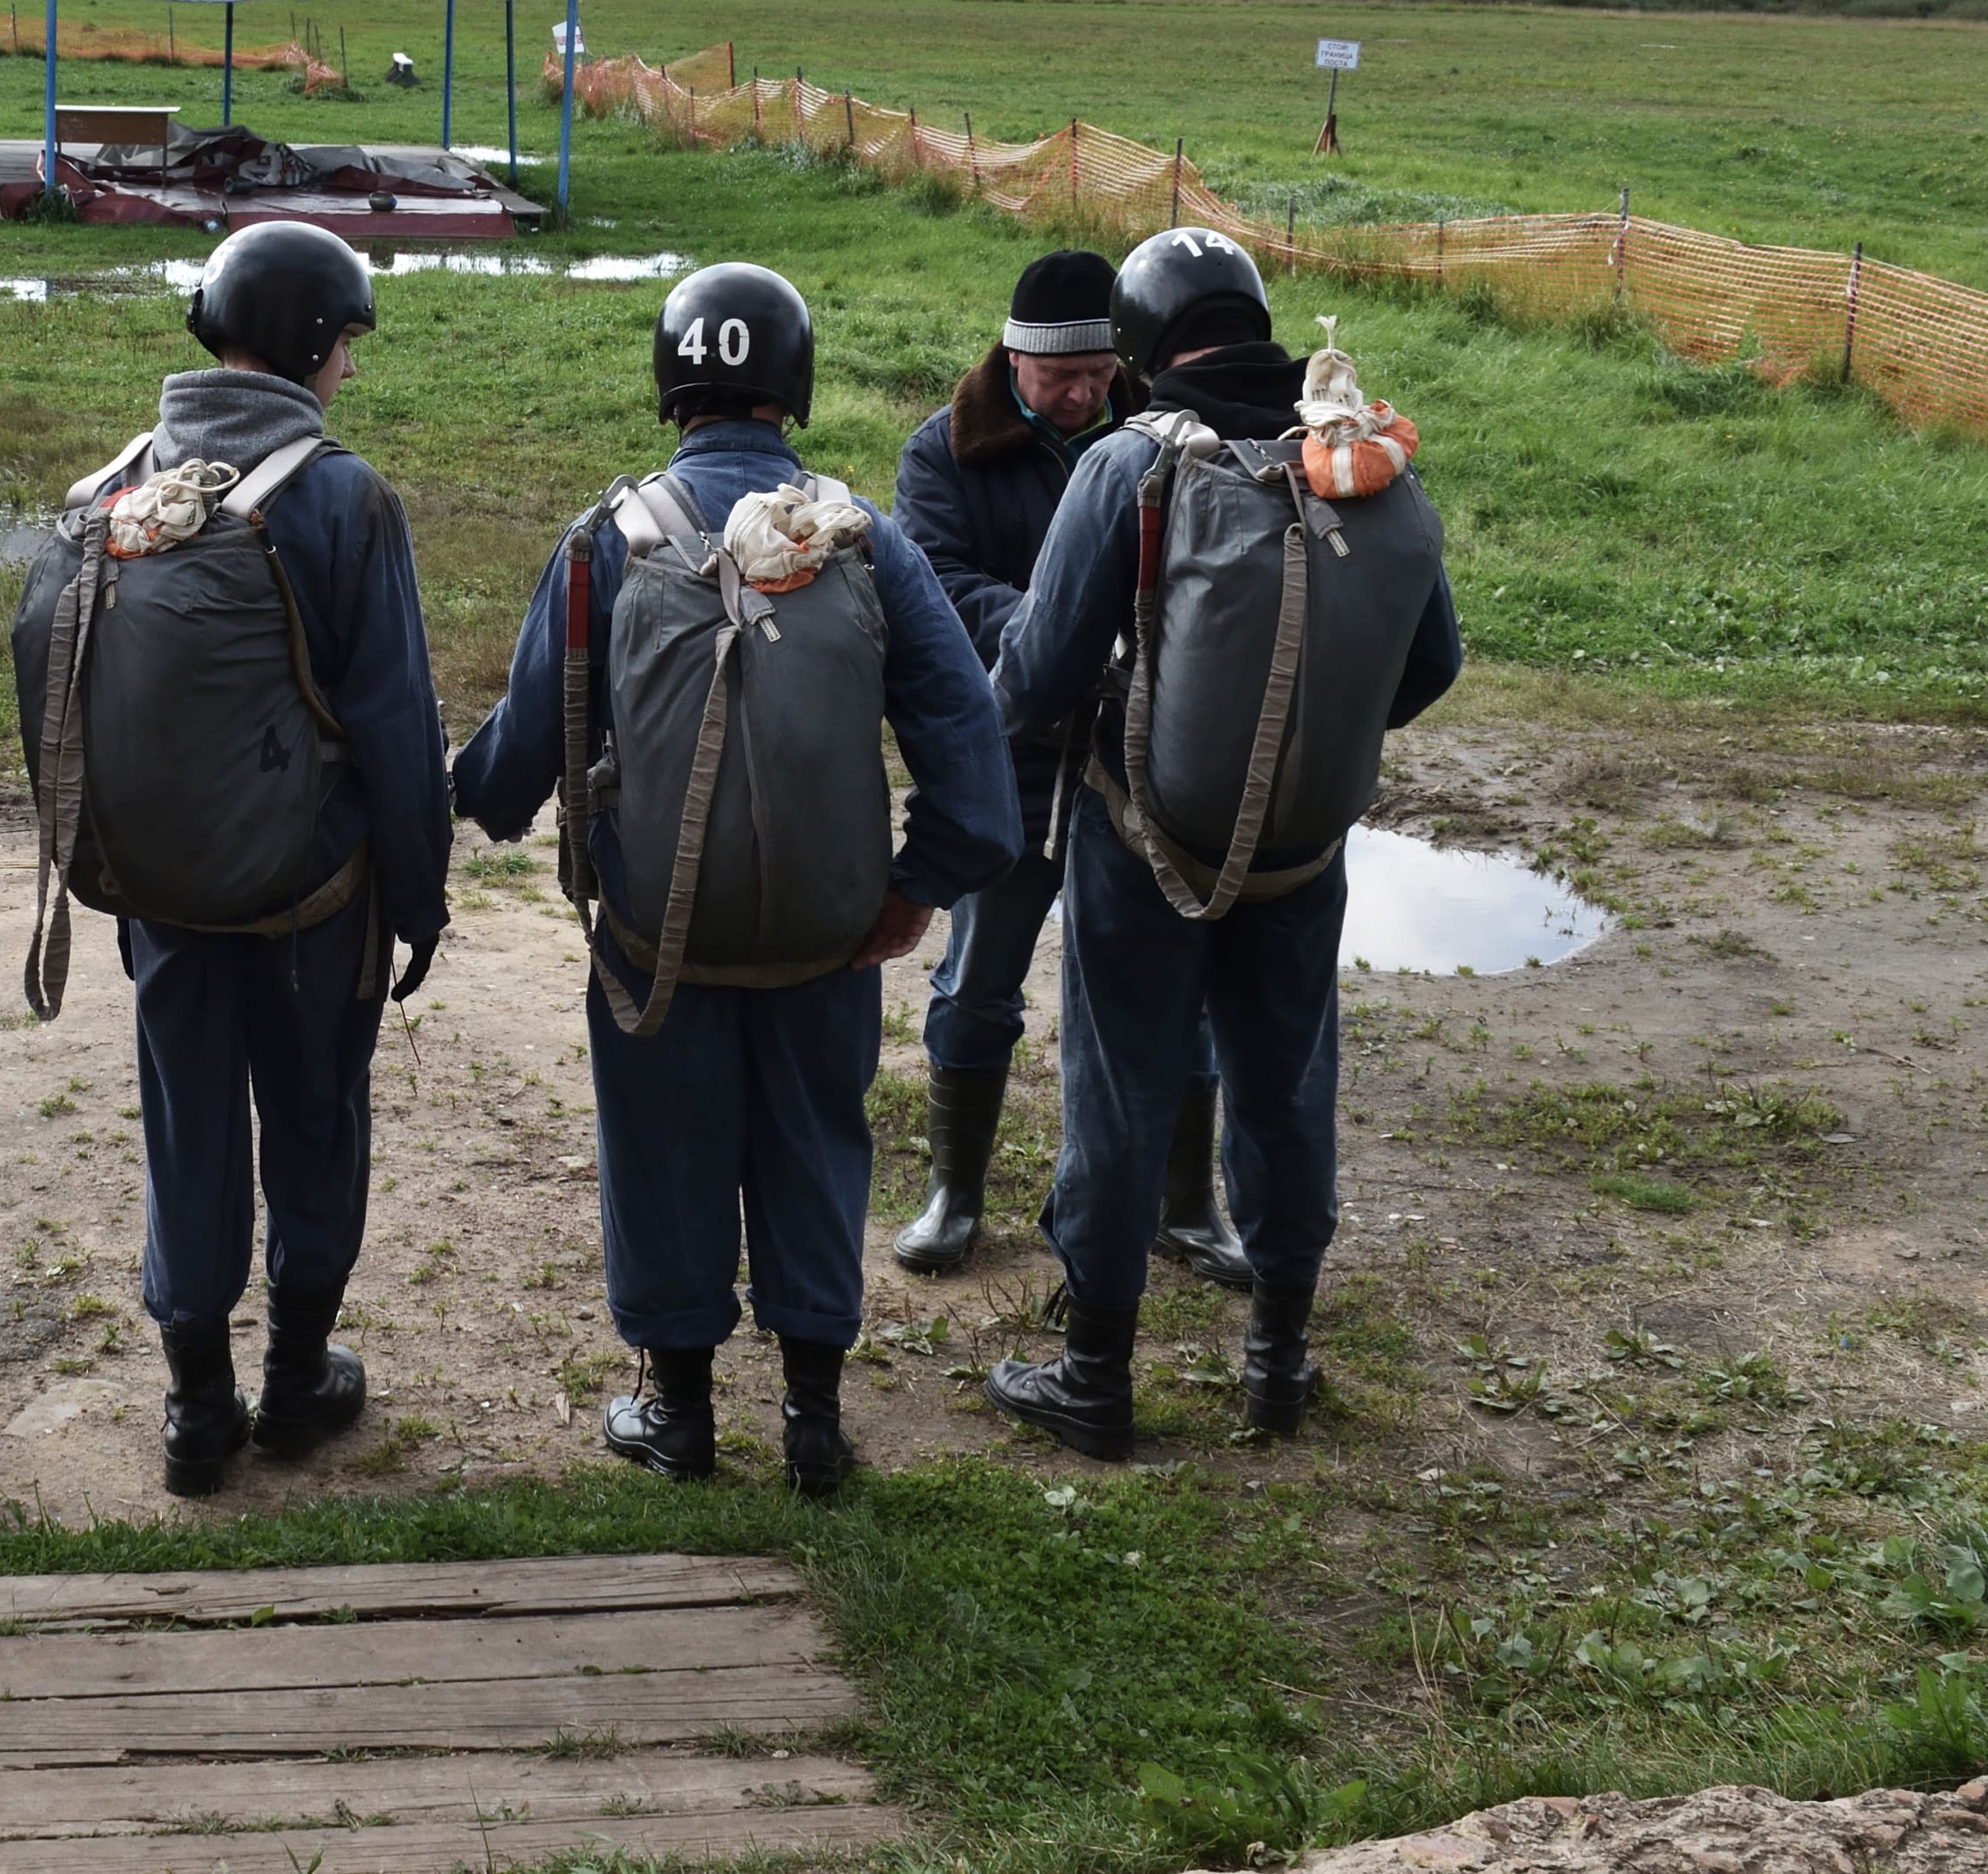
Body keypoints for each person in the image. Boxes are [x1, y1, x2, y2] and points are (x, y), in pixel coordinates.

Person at [454, 265, 1018, 1495]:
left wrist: (450, 784)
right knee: (818, 1145)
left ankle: (682, 1415)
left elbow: (517, 757)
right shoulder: (869, 540)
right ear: (794, 384)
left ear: (673, 381)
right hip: (827, 930)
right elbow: (974, 765)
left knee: (663, 1148)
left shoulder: (609, 537)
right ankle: (813, 1419)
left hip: (657, 935)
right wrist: (910, 885)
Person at [983, 228, 1462, 1460]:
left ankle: (1096, 1376)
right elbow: (1434, 661)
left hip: (1147, 838)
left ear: (1141, 344)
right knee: (1289, 1084)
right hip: (1305, 849)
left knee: (1119, 1088)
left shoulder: (1130, 462)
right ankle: (1278, 1362)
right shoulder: (1367, 461)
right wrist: (1304, 747)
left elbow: (1034, 673)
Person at [40, 221, 450, 1498]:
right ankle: (296, 1380)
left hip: (157, 888)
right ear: (317, 345)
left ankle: (194, 1404)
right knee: (315, 1118)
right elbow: (396, 723)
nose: (348, 375)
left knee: (188, 1126)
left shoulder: (113, 487)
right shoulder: (339, 494)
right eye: (345, 350)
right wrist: (421, 898)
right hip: (311, 903)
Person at [891, 252, 1249, 1288]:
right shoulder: (944, 453)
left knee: (1177, 985)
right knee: (977, 975)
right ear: (1015, 359)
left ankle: (1188, 1204)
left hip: (1145, 757)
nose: (1087, 392)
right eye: (1065, 377)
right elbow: (937, 588)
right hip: (1011, 757)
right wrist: (1066, 632)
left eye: (1101, 372)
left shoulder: (1160, 436)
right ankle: (955, 1194)